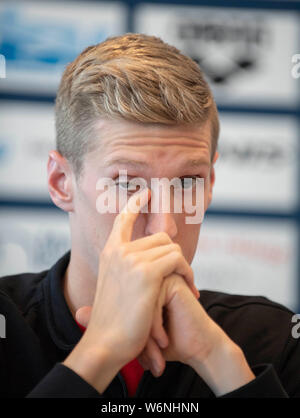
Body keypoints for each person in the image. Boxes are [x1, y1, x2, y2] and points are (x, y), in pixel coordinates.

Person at [0, 33, 299, 398]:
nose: (164, 227)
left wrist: (218, 359)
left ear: (211, 184)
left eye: (188, 181)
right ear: (62, 182)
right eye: (127, 183)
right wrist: (100, 352)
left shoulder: (276, 338)